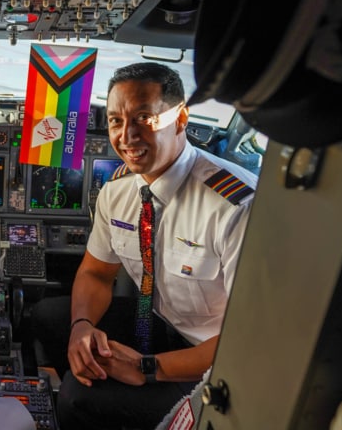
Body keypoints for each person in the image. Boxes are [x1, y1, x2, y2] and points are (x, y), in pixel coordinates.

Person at [30, 62, 258, 429]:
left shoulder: (235, 207)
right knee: (49, 317)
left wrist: (146, 368)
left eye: (144, 118)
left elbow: (249, 340)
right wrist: (82, 326)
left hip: (215, 359)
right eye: (117, 121)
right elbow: (95, 273)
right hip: (157, 324)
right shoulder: (118, 190)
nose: (127, 136)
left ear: (181, 119)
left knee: (77, 398)